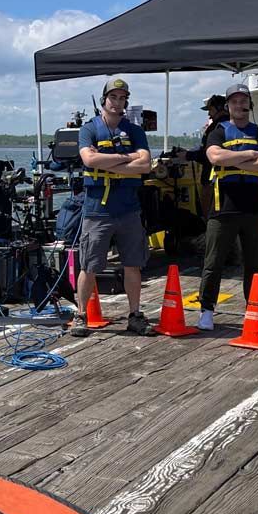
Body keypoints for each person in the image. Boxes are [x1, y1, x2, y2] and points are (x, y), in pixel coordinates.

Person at [70, 77, 152, 337]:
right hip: (97, 210)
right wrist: (126, 159)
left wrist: (108, 161)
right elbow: (89, 158)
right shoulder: (89, 129)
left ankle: (135, 315)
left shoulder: (136, 131)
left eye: (122, 98)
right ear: (104, 99)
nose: (117, 102)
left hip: (128, 208)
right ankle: (81, 315)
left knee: (133, 264)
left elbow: (145, 164)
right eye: (113, 97)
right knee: (90, 265)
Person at [196, 83, 258, 331]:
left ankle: (254, 309)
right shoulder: (218, 132)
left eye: (244, 101)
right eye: (234, 101)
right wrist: (251, 155)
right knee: (214, 261)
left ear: (250, 104)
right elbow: (215, 157)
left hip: (254, 207)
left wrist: (237, 158)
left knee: (254, 264)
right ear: (228, 106)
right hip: (224, 207)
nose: (240, 105)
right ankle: (206, 311)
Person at [183, 94, 228, 220]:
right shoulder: (231, 126)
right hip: (222, 180)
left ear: (220, 108)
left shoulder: (216, 128)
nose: (209, 115)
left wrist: (187, 155)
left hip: (212, 180)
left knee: (210, 216)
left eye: (211, 110)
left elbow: (208, 155)